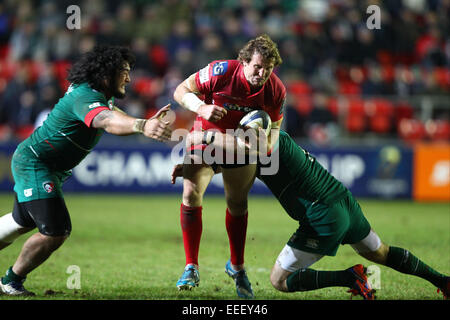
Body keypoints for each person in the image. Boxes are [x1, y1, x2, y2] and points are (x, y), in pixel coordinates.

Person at [171, 128, 449, 300]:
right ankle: (443, 281)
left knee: (278, 281)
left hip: (323, 216)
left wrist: (203, 140)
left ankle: (349, 277)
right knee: (381, 253)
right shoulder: (273, 142)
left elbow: (243, 160)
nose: (246, 138)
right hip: (344, 202)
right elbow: (241, 162)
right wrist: (198, 167)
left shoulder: (260, 147)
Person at [0, 45, 173, 296]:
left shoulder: (97, 93)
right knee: (55, 231)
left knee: (21, 221)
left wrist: (141, 124)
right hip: (36, 164)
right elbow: (105, 120)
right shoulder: (84, 97)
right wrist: (142, 125)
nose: (129, 78)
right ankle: (10, 281)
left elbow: (110, 110)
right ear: (106, 74)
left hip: (43, 165)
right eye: (124, 71)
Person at [173, 34, 286, 299]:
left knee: (237, 204)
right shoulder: (220, 71)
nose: (262, 73)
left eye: (268, 69)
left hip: (237, 145)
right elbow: (180, 91)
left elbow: (269, 144)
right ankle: (191, 266)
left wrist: (245, 145)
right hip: (206, 135)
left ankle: (237, 267)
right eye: (257, 66)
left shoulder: (276, 90)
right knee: (190, 193)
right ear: (244, 61)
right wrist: (201, 108)